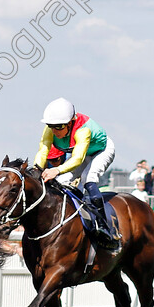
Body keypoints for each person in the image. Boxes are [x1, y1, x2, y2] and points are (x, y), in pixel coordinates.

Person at [33, 98, 120, 252]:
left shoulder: (83, 130)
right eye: (51, 126)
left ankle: (104, 227)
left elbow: (78, 158)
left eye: (59, 127)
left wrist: (56, 170)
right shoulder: (50, 130)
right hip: (83, 153)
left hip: (101, 151)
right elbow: (43, 151)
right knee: (62, 182)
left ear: (71, 122)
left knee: (88, 179)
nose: (55, 131)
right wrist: (36, 170)